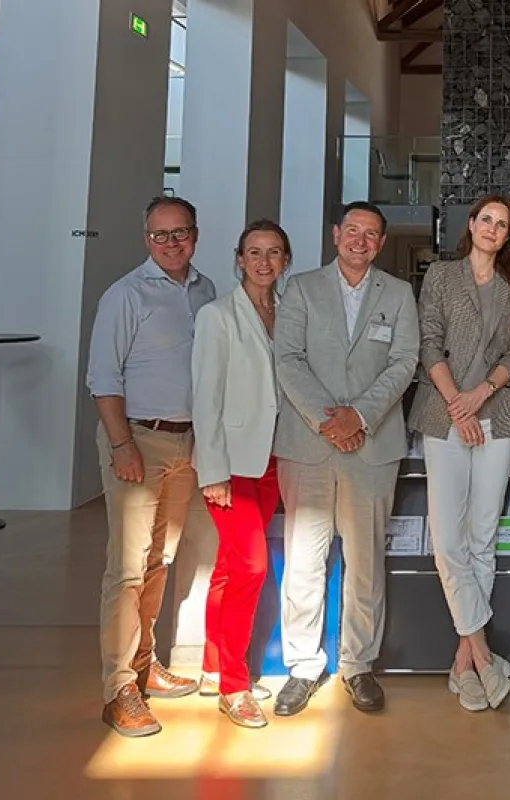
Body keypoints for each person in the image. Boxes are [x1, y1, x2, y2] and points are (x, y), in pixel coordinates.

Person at [272, 200, 419, 716]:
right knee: (305, 562)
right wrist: (326, 421)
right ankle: (303, 666)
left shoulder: (398, 294)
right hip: (308, 447)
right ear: (336, 235)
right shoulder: (302, 288)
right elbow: (286, 358)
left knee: (364, 563)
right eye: (352, 230)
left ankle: (358, 664)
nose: (360, 240)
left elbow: (405, 361)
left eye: (371, 234)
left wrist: (358, 417)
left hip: (372, 446)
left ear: (380, 243)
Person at [86, 195, 216, 737]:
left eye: (180, 233)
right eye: (160, 235)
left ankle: (145, 666)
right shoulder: (125, 294)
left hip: (187, 446)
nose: (171, 243)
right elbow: (103, 376)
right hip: (138, 439)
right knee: (128, 569)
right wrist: (122, 446)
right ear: (147, 239)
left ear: (195, 234)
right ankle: (119, 689)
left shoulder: (206, 291)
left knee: (161, 562)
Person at [407, 195, 510, 711]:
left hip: (498, 415)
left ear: (508, 237)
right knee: (447, 538)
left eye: (502, 225)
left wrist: (479, 397)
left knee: (483, 536)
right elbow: (428, 342)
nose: (492, 229)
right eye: (486, 219)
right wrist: (458, 405)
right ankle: (481, 650)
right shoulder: (440, 275)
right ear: (472, 225)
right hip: (443, 414)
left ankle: (463, 658)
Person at [191, 220, 291, 728]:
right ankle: (234, 684)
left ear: (285, 260)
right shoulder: (217, 316)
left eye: (274, 252)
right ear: (239, 259)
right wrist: (211, 469)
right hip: (228, 462)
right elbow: (205, 398)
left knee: (232, 564)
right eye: (255, 252)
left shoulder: (287, 313)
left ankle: (212, 662)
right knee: (252, 565)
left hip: (272, 459)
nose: (264, 262)